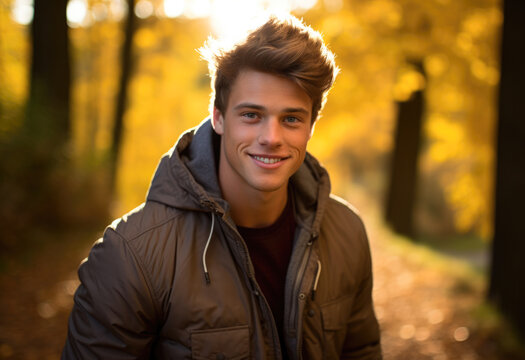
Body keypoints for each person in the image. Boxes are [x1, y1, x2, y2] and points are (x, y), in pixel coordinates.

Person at [62, 14, 382, 360]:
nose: (271, 138)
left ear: (311, 126)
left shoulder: (347, 233)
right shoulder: (131, 253)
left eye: (291, 119)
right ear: (217, 116)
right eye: (251, 115)